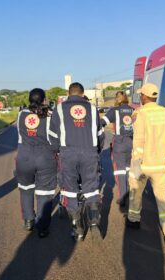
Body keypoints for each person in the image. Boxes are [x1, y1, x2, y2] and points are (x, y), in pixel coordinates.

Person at [49, 82, 105, 241]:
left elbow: (53, 136)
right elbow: (101, 134)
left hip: (68, 153)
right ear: (82, 93)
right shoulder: (93, 109)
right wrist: (97, 150)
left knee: (69, 191)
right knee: (92, 188)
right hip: (90, 152)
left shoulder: (59, 109)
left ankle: (78, 228)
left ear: (68, 93)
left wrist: (56, 152)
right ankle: (94, 222)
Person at [126, 83, 165, 246]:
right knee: (164, 198)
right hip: (160, 163)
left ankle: (134, 220)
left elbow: (138, 139)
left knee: (136, 193)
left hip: (142, 163)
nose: (140, 97)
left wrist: (136, 162)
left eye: (141, 95)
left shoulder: (139, 113)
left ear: (145, 97)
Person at [16, 88, 58, 238]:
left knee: (26, 190)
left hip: (24, 157)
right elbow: (55, 138)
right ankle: (42, 227)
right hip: (45, 157)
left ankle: (28, 220)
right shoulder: (50, 115)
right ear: (44, 99)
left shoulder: (21, 114)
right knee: (44, 193)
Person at [101, 91, 134, 207]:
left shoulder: (114, 110)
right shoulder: (133, 110)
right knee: (129, 169)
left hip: (119, 142)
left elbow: (102, 122)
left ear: (117, 99)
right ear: (126, 98)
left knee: (120, 170)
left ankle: (122, 196)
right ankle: (132, 194)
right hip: (131, 142)